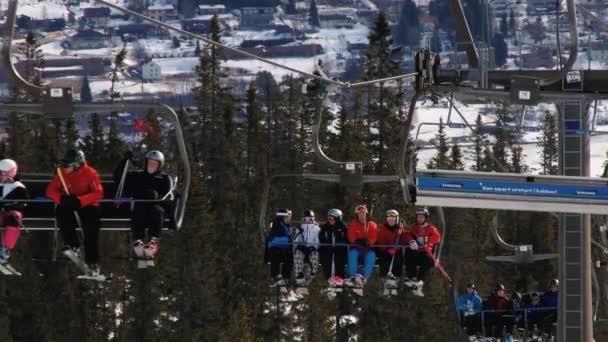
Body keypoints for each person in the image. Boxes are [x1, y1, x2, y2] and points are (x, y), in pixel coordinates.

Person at [46, 149, 104, 276]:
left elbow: (98, 193)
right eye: (63, 165)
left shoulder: (90, 173)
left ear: (77, 165)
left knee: (91, 228)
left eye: (67, 165)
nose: (64, 168)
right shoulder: (61, 173)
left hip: (88, 205)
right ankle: (72, 245)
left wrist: (81, 200)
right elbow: (50, 191)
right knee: (62, 213)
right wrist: (61, 198)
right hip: (69, 202)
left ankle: (93, 262)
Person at [114, 150, 173, 261]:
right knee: (138, 209)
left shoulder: (164, 178)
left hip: (155, 205)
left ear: (159, 165)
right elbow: (119, 177)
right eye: (150, 162)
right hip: (140, 205)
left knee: (157, 211)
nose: (151, 165)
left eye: (154, 163)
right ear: (146, 163)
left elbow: (167, 195)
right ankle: (138, 240)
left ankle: (153, 240)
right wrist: (124, 161)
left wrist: (157, 197)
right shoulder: (138, 175)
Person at [404, 207, 441, 297]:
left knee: (426, 259)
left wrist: (428, 244)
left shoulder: (431, 228)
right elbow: (408, 235)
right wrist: (411, 241)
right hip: (417, 253)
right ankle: (411, 277)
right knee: (409, 253)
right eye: (418, 217)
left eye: (422, 217)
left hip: (426, 254)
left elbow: (437, 238)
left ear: (425, 218)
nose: (420, 219)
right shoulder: (415, 228)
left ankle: (420, 280)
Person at [0, 159, 29, 264]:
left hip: (11, 212)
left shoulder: (17, 186)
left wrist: (12, 206)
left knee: (13, 219)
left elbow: (24, 202)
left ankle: (5, 249)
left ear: (11, 173)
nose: (0, 176)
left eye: (2, 173)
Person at [344, 204, 378, 288]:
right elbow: (351, 236)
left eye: (363, 213)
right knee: (352, 254)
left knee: (371, 256)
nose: (361, 215)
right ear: (357, 215)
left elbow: (374, 236)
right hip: (357, 247)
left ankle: (362, 277)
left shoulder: (372, 225)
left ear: (366, 214)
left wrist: (368, 242)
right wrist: (357, 241)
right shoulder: (353, 224)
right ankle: (352, 276)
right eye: (359, 213)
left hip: (367, 249)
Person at [376, 209, 407, 288]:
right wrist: (388, 248)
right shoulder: (383, 228)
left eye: (393, 220)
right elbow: (380, 241)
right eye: (389, 220)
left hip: (396, 251)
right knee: (385, 258)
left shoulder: (399, 229)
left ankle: (395, 277)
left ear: (396, 220)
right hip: (385, 250)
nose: (391, 221)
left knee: (398, 258)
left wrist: (398, 245)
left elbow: (405, 238)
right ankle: (385, 277)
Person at [319, 208, 347, 286]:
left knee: (339, 259)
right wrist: (327, 245)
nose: (330, 220)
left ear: (338, 218)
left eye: (332, 218)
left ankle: (339, 280)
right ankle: (329, 279)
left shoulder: (342, 227)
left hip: (339, 249)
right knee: (326, 260)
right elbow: (321, 237)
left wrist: (341, 244)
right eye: (329, 218)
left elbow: (346, 238)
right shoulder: (325, 227)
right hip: (327, 249)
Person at [265, 208, 293, 286]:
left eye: (289, 217)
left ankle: (285, 277)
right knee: (276, 254)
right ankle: (275, 276)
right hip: (274, 250)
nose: (289, 219)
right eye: (287, 217)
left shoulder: (287, 227)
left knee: (290, 257)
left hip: (284, 250)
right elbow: (272, 241)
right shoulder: (276, 226)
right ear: (282, 218)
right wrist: (288, 240)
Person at [293, 210, 320, 286]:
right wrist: (299, 246)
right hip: (302, 248)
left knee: (315, 256)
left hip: (311, 249)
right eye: (305, 219)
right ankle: (299, 276)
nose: (307, 221)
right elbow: (295, 240)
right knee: (297, 255)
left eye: (310, 219)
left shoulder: (316, 229)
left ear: (313, 219)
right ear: (302, 219)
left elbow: (318, 242)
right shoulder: (299, 228)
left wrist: (313, 247)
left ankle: (312, 274)